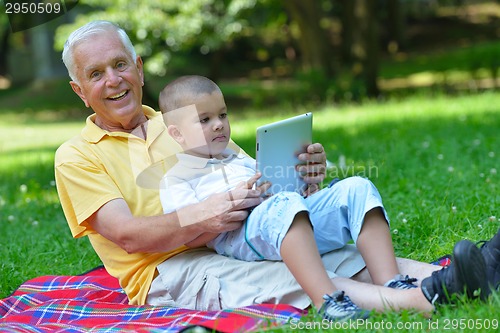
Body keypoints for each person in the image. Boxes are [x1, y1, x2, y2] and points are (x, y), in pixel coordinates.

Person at [55, 20, 498, 322]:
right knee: (298, 275)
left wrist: (303, 177)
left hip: (241, 235)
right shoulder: (75, 156)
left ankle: (478, 268)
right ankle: (428, 298)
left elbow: (257, 179)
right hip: (171, 268)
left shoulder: (186, 117)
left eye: (119, 64)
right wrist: (205, 215)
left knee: (341, 255)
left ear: (139, 69)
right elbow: (129, 235)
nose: (112, 80)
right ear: (79, 91)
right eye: (96, 74)